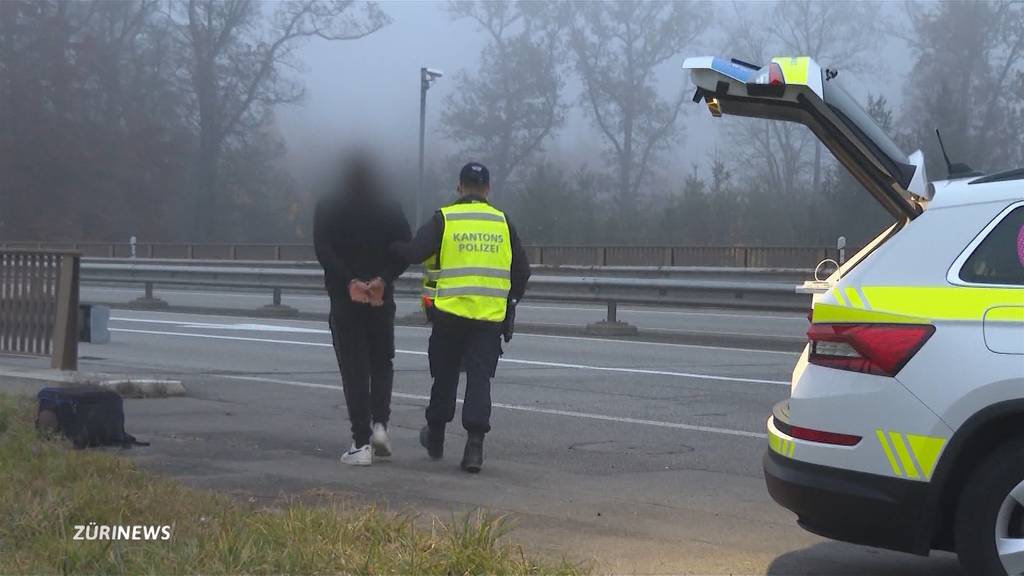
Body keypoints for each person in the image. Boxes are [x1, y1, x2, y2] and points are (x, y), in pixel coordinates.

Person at [391, 162, 530, 473]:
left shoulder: (446, 218)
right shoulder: (503, 222)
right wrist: (511, 301)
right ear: (488, 189)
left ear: (459, 186)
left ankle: (437, 436)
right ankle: (474, 449)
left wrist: (388, 245)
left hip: (449, 315)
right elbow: (522, 270)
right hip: (489, 319)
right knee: (479, 380)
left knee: (445, 374)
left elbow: (414, 253)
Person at [314, 155, 411, 466]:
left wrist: (350, 280)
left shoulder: (329, 205)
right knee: (382, 361)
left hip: (346, 298)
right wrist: (382, 279)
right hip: (381, 298)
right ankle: (381, 425)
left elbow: (323, 249)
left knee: (355, 367)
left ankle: (360, 442)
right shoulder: (389, 206)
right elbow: (404, 248)